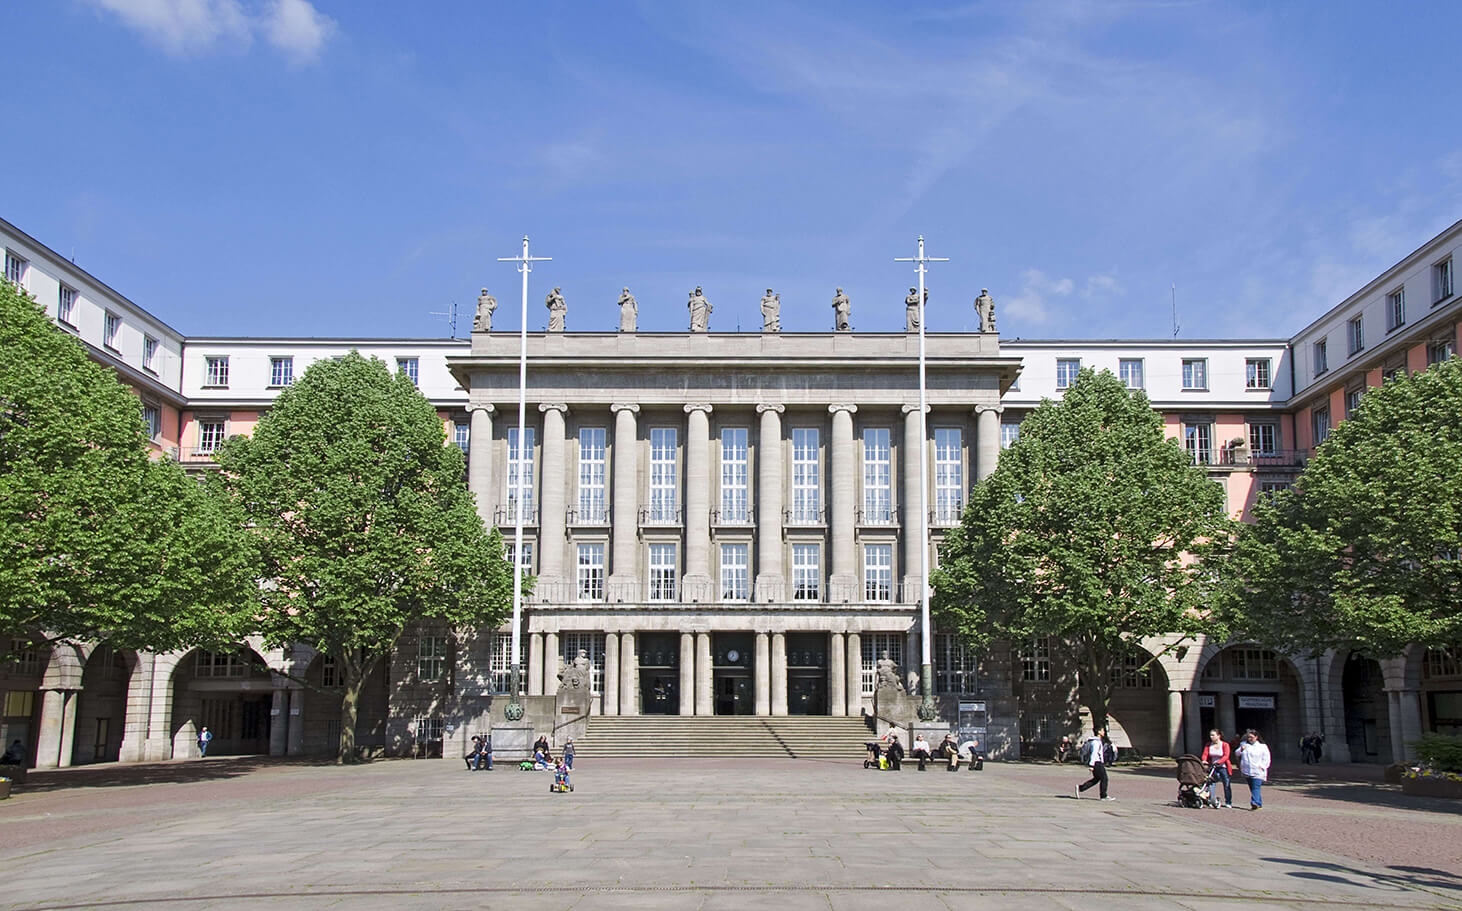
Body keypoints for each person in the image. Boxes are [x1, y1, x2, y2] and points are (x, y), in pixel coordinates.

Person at [1236, 729, 1271, 810]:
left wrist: (1262, 766)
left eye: (1251, 737)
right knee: (1253, 788)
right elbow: (1237, 753)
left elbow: (1267, 758)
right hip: (1247, 770)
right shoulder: (1244, 744)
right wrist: (1241, 749)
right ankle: (1259, 803)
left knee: (1256, 787)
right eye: (1248, 737)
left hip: (1257, 770)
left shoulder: (1262, 746)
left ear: (1256, 737)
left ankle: (1254, 802)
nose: (1250, 739)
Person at [1075, 727, 1114, 800]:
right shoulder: (1095, 742)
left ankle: (1081, 788)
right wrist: (1091, 765)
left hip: (1097, 762)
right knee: (1104, 778)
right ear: (1099, 732)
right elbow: (1094, 754)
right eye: (1102, 730)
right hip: (1097, 762)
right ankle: (1103, 796)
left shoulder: (1095, 741)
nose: (1104, 732)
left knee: (1097, 778)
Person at [1203, 728, 1233, 808]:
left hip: (1223, 767)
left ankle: (1228, 801)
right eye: (1210, 735)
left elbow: (1226, 755)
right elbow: (1205, 754)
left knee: (1226, 784)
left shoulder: (1225, 745)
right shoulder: (1208, 745)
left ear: (1218, 736)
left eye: (1213, 735)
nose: (1211, 737)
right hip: (1213, 767)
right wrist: (1204, 760)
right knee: (1211, 783)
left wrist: (1219, 762)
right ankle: (1210, 799)